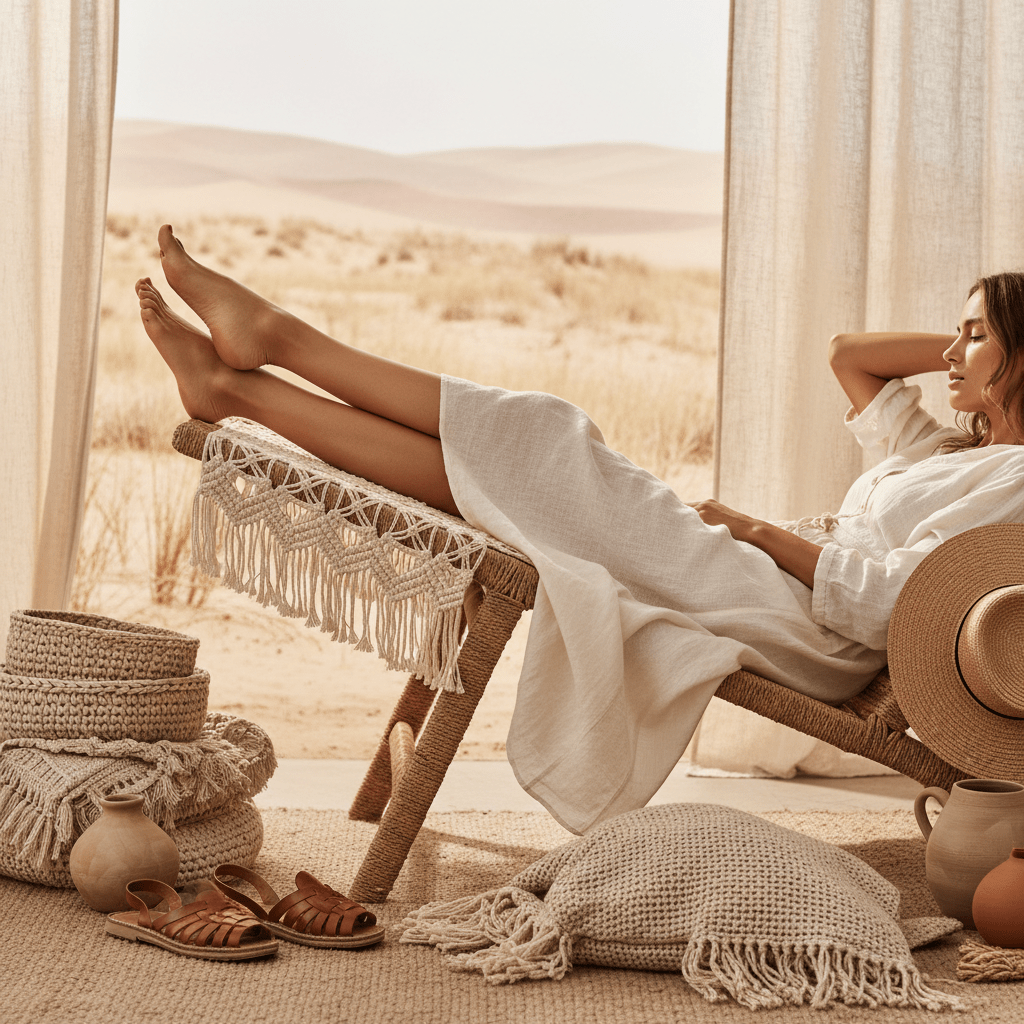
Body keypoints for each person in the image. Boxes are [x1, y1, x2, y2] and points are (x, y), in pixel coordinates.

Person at [138, 225, 1024, 833]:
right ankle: (241, 386)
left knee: (546, 435)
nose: (949, 354)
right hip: (763, 584)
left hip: (802, 624)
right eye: (954, 335)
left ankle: (276, 346)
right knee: (526, 468)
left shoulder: (1017, 480)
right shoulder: (945, 453)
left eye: (973, 337)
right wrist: (983, 342)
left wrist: (758, 531)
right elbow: (849, 356)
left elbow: (896, 603)